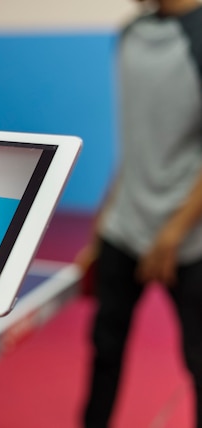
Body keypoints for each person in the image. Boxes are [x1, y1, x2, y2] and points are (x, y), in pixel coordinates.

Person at [76, 0, 202, 426]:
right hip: (124, 227)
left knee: (200, 362)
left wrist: (173, 233)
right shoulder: (129, 35)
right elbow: (137, 142)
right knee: (104, 350)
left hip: (188, 240)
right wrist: (102, 222)